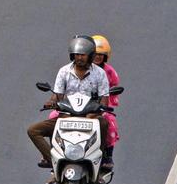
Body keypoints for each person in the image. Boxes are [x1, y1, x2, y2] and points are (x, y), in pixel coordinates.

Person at [27, 36, 113, 169]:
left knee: (104, 123)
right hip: (67, 115)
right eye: (77, 54)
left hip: (90, 117)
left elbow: (104, 99)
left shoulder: (100, 73)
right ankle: (54, 160)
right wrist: (50, 102)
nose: (79, 58)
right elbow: (57, 94)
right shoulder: (64, 71)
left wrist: (98, 111)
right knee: (33, 130)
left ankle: (99, 162)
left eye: (83, 55)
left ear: (90, 55)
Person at [92, 35, 120, 168]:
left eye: (101, 55)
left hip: (100, 106)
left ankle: (107, 156)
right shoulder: (80, 69)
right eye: (95, 54)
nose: (97, 57)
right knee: (54, 116)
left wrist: (106, 104)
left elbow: (113, 87)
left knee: (110, 122)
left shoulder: (109, 72)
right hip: (78, 105)